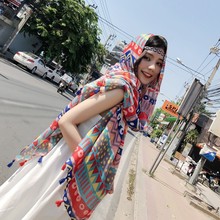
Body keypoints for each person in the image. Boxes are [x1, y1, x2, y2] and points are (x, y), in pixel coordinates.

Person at [0, 33, 168, 220]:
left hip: (68, 161)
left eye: (159, 63)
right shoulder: (123, 89)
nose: (152, 67)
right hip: (66, 166)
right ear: (134, 55)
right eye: (147, 58)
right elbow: (67, 121)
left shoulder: (128, 88)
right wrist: (87, 170)